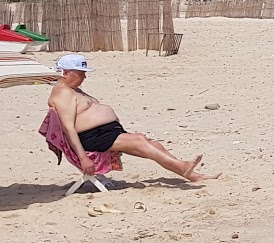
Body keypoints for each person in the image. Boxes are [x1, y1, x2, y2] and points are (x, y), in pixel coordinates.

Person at [47, 55, 215, 182]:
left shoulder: (72, 89)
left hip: (105, 133)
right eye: (81, 73)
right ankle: (184, 167)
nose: (84, 77)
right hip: (94, 137)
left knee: (153, 145)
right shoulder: (62, 93)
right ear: (65, 73)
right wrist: (83, 158)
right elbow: (69, 128)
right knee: (140, 140)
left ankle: (193, 176)